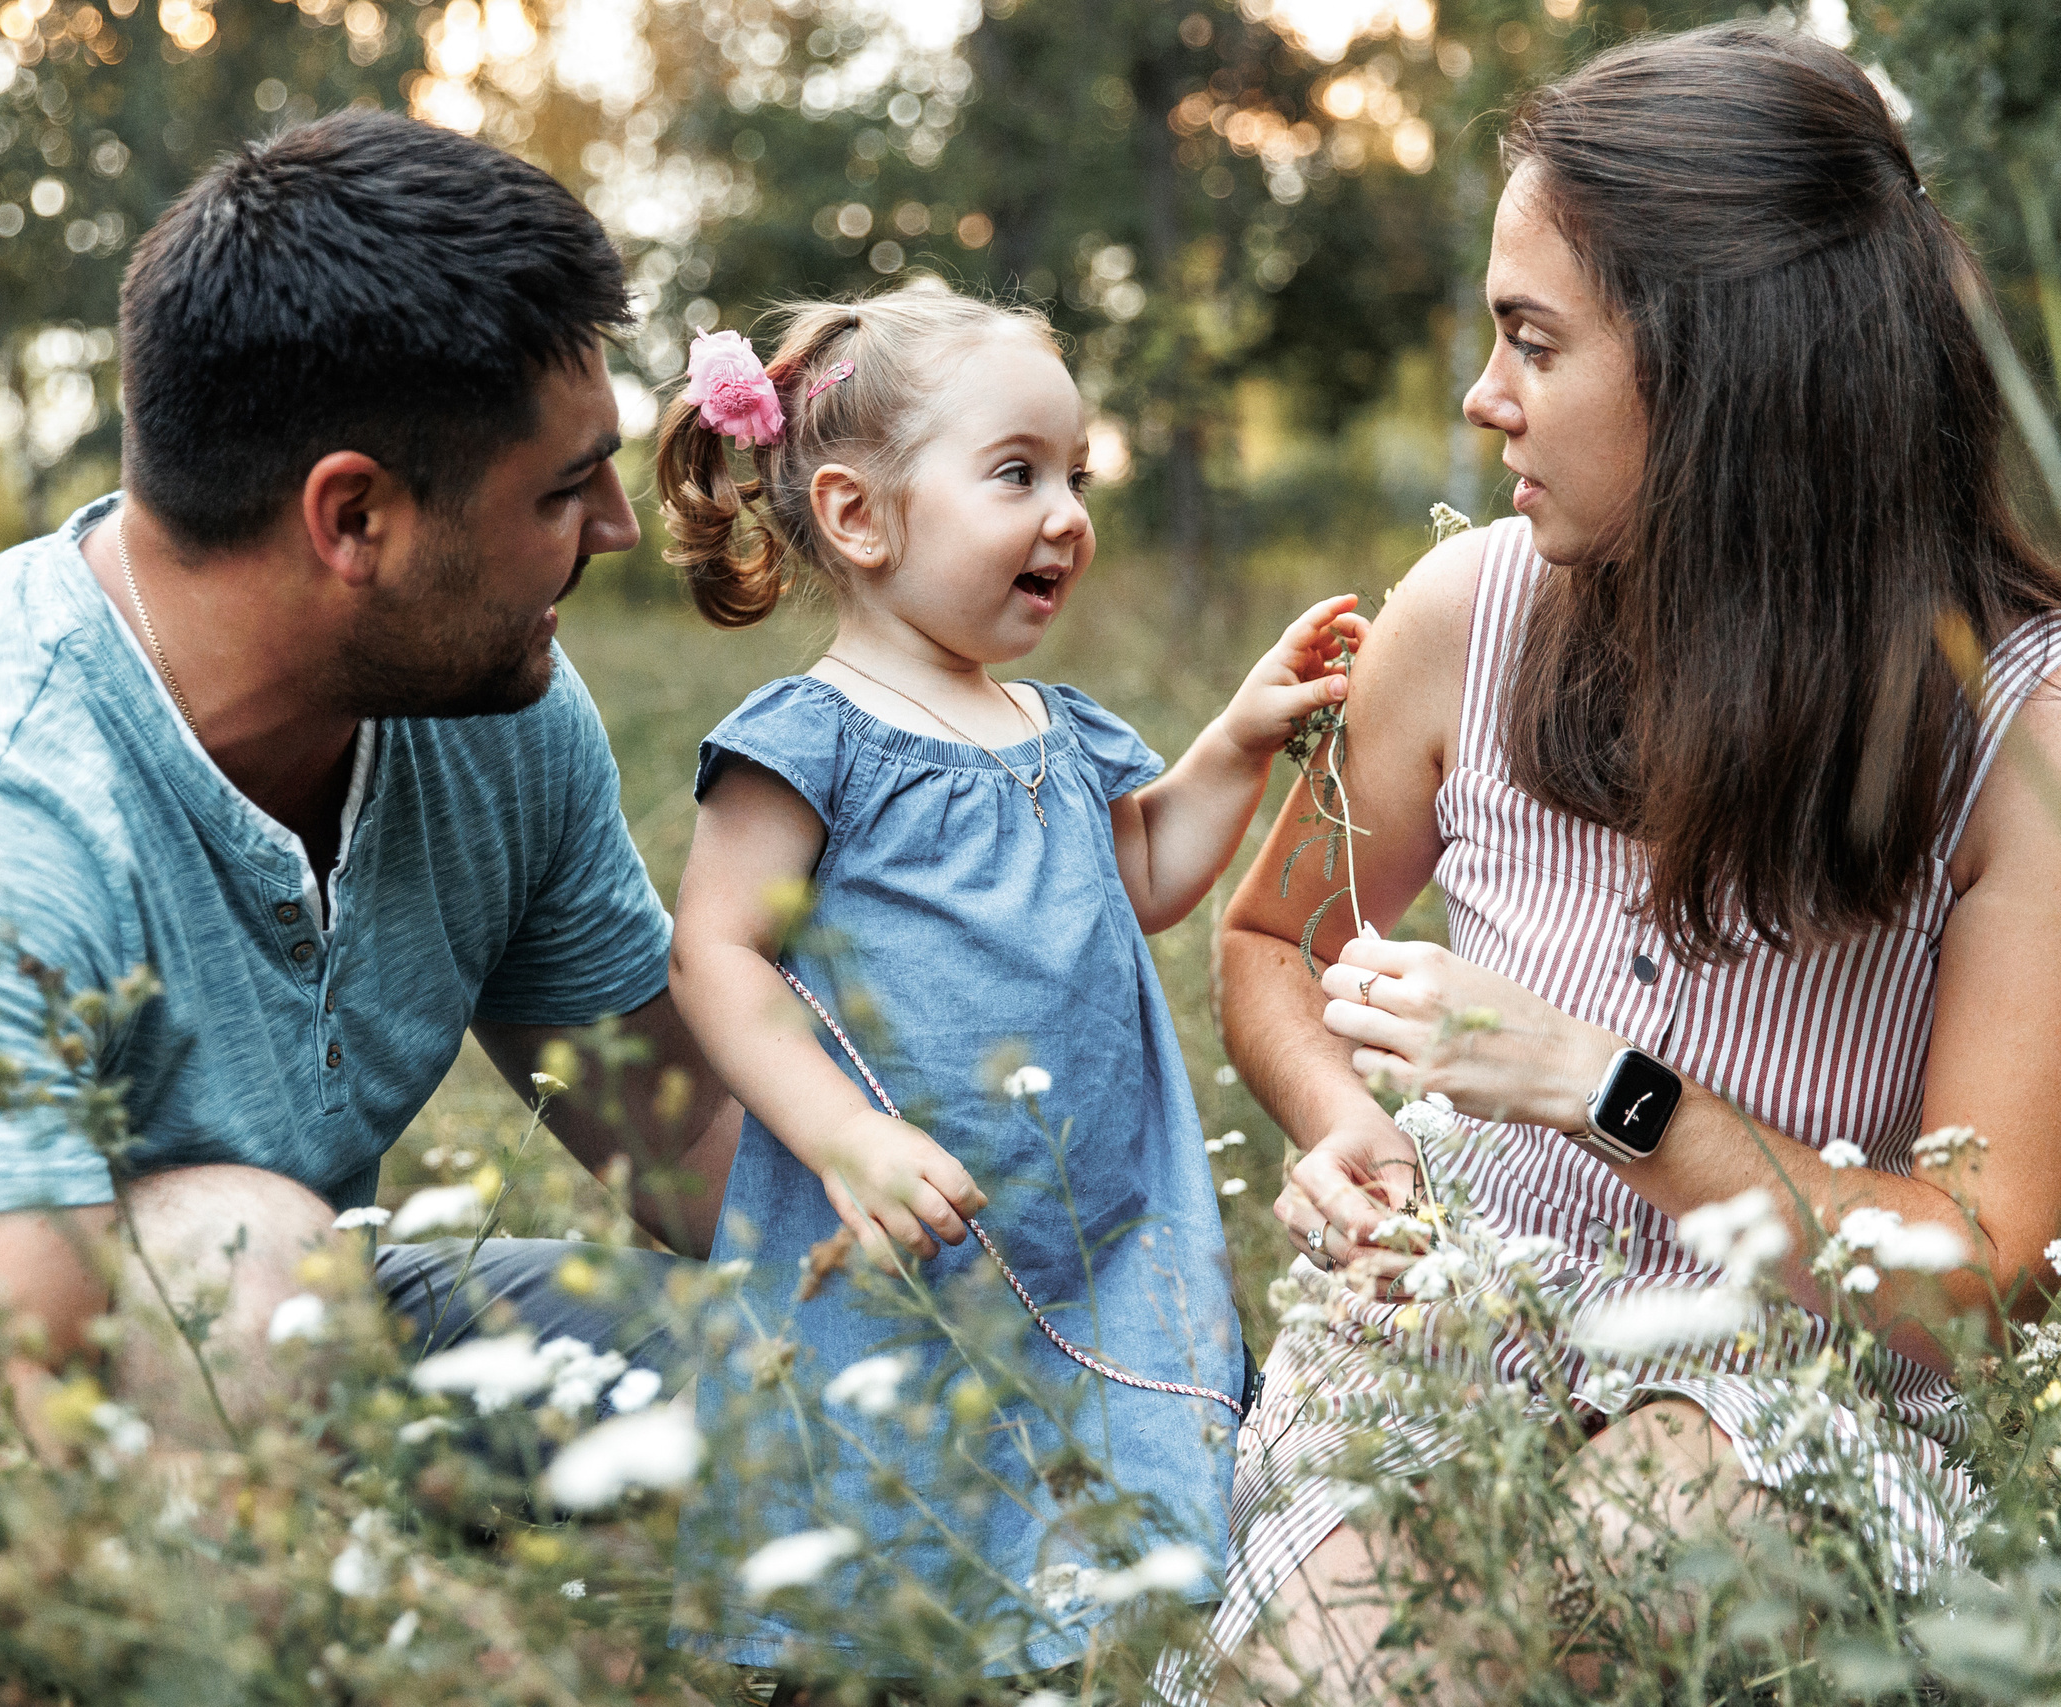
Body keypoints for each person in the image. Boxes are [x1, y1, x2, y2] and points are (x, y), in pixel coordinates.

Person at [0, 109, 739, 1463]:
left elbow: (693, 1138)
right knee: (242, 1261)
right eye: (565, 491)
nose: (618, 528)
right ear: (353, 519)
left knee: (771, 1375)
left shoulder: (490, 710)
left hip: (255, 1339)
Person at [1181, 25, 2061, 1700]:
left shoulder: (2021, 729)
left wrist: (1609, 1092)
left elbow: (1978, 1277)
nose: (1483, 395)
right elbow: (1271, 942)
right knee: (1323, 1675)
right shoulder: (1463, 613)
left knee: (1563, 1616)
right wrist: (1346, 1122)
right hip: (1464, 1317)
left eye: (1533, 340)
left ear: (1733, 369)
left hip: (1805, 1380)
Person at [652, 286, 1365, 1676]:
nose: (1068, 515)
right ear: (860, 516)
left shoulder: (1058, 727)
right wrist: (843, 1136)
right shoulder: (810, 740)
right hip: (898, 1224)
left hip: (1088, 1221)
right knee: (881, 1525)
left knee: (1091, 1549)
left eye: (1077, 476)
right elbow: (715, 952)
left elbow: (1144, 869)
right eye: (1018, 475)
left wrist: (1236, 740)